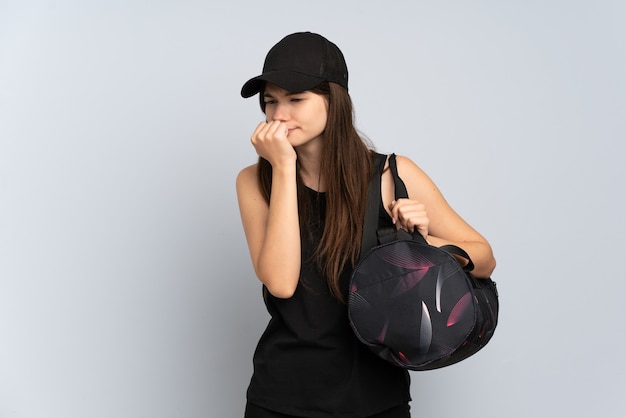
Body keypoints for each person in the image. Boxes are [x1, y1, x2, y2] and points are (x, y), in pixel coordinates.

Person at [236, 32, 496, 418]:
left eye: (296, 99)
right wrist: (284, 167)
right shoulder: (255, 180)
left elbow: (484, 258)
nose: (278, 115)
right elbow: (281, 282)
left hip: (376, 399)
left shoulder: (393, 173)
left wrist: (423, 244)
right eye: (270, 102)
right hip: (281, 397)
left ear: (334, 101)